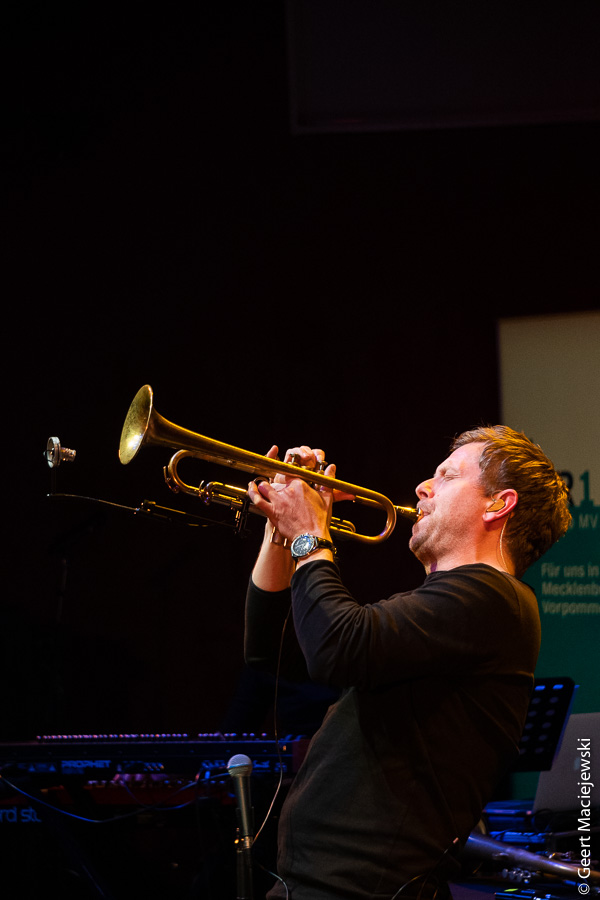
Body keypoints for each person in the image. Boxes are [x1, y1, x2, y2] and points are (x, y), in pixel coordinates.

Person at [244, 426, 571, 900]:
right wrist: (282, 526)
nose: (423, 486)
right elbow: (270, 652)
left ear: (497, 505)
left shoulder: (494, 598)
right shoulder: (454, 605)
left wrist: (309, 534)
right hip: (319, 885)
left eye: (446, 475)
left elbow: (337, 647)